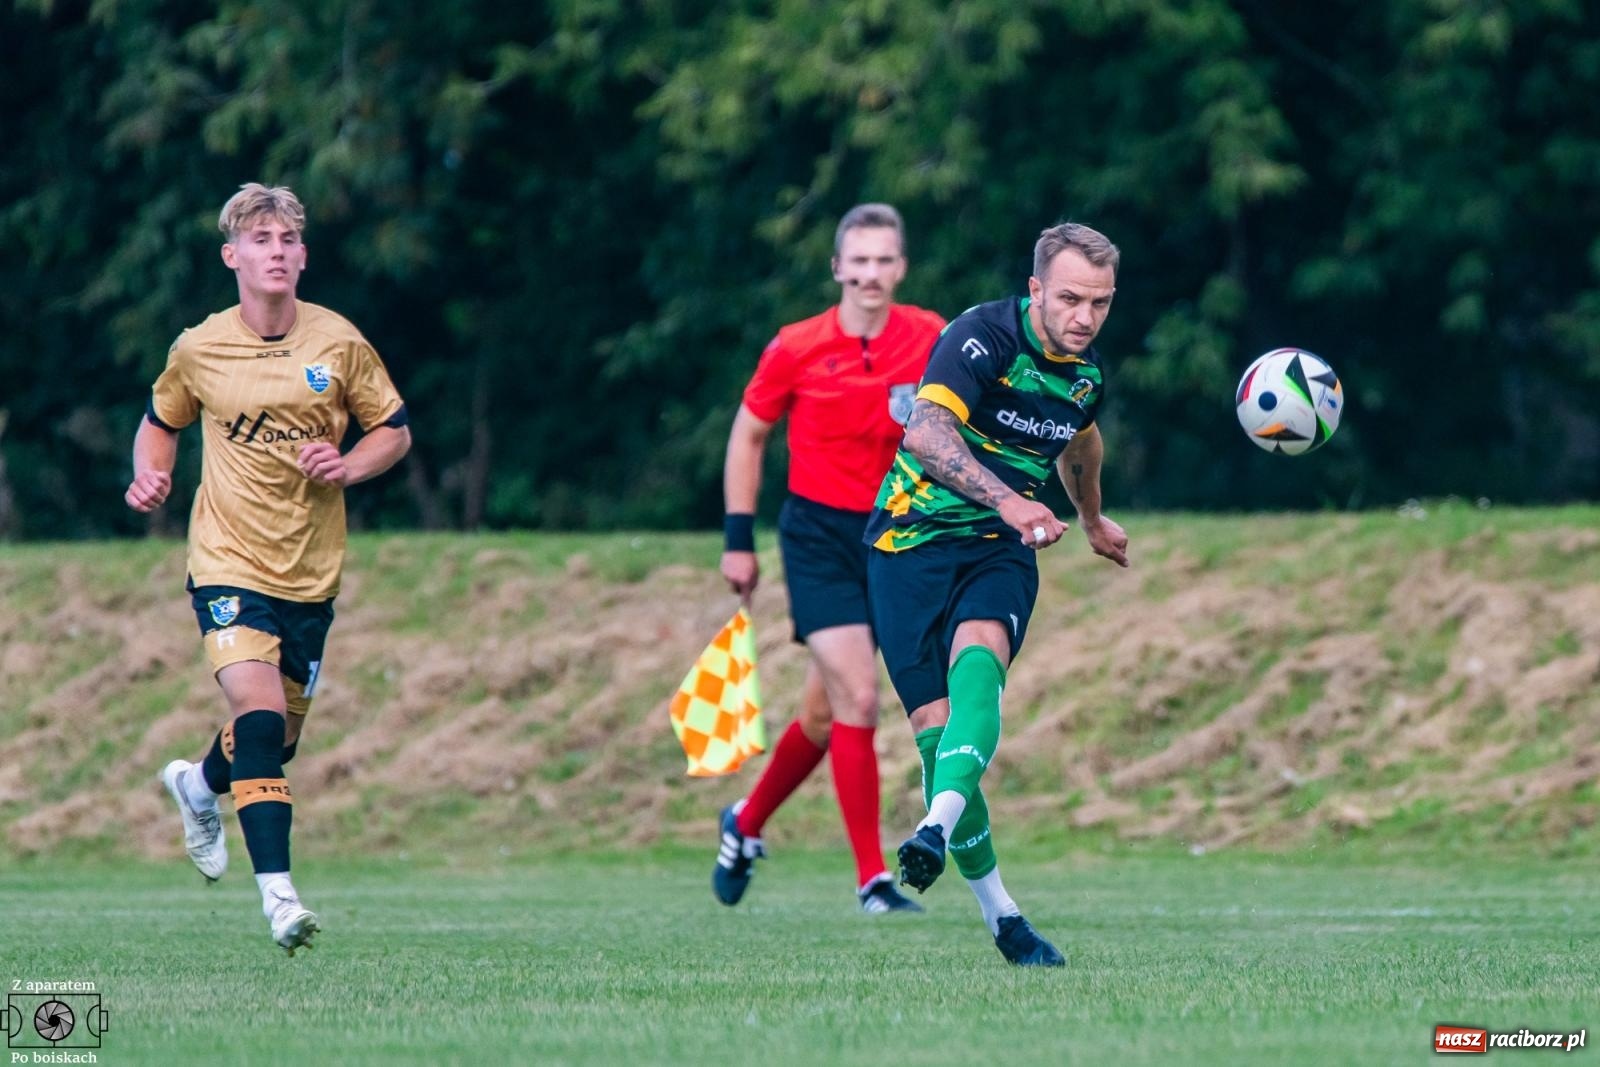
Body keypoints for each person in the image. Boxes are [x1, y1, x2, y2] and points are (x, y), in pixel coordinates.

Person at [127, 183, 411, 954]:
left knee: (273, 743)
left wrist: (348, 465)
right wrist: (150, 475)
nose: (276, 251)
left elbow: (394, 430)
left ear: (303, 256)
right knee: (256, 719)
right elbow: (160, 422)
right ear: (233, 257)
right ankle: (280, 898)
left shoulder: (339, 342)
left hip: (310, 576)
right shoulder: (199, 347)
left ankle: (194, 784)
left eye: (287, 239)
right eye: (260, 239)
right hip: (226, 561)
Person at [863, 222, 1130, 965]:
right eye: (1072, 298)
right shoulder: (979, 337)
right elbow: (926, 432)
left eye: (1101, 303)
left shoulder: (1085, 374)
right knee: (934, 726)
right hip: (907, 542)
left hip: (996, 552)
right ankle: (1005, 918)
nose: (1085, 316)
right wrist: (1010, 499)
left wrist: (1090, 515)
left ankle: (933, 829)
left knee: (981, 659)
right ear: (1037, 289)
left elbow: (1080, 440)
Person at [713, 203, 946, 914]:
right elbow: (748, 435)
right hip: (819, 538)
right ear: (838, 267)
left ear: (900, 267)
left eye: (885, 260)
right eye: (860, 260)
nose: (871, 273)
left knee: (825, 715)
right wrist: (737, 537)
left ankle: (744, 823)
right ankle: (873, 878)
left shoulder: (932, 336)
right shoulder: (797, 345)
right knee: (863, 698)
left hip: (899, 533)